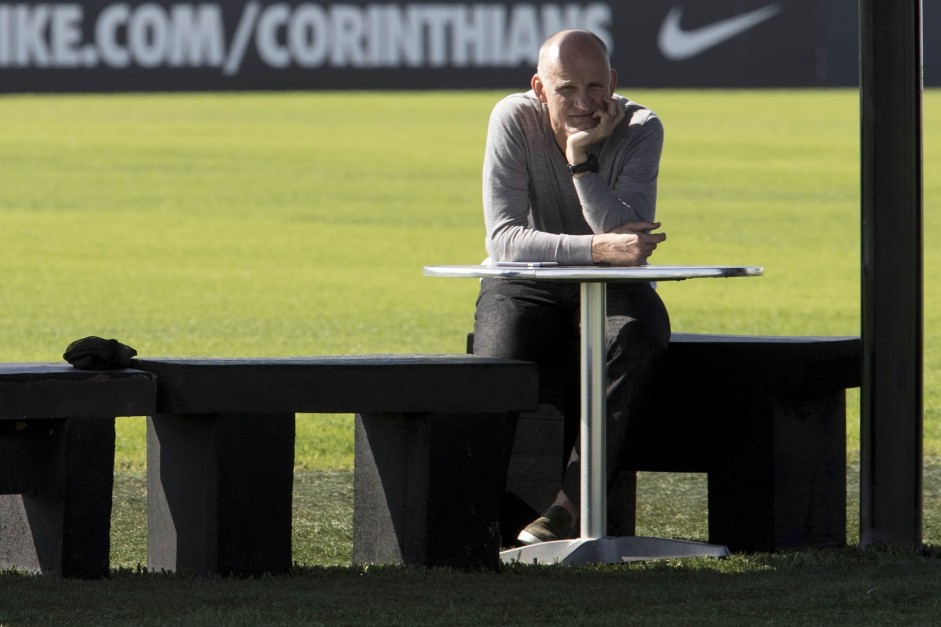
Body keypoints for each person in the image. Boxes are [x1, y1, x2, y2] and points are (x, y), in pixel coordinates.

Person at [471, 29, 671, 545]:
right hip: (527, 283)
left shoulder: (642, 126)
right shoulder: (512, 118)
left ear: (614, 82)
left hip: (611, 285)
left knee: (633, 336)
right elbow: (505, 242)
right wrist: (597, 249)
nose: (584, 103)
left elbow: (630, 237)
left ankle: (567, 507)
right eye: (566, 90)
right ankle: (476, 515)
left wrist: (581, 162)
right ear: (539, 88)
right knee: (498, 361)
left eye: (595, 86)